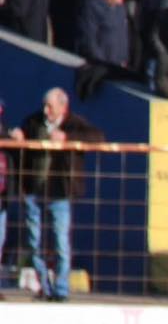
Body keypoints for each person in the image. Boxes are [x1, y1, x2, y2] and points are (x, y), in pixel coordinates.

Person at [8, 89, 103, 302]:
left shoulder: (74, 123)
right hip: (34, 190)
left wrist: (68, 138)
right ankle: (44, 286)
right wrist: (16, 139)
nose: (46, 110)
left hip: (60, 192)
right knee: (35, 242)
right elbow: (18, 150)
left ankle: (60, 289)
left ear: (63, 106)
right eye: (45, 105)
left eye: (50, 106)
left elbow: (98, 137)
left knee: (61, 242)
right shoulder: (33, 122)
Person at [77, 0, 131, 70]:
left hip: (118, 67)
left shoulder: (120, 8)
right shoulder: (92, 7)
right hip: (99, 68)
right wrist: (101, 64)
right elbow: (89, 41)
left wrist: (124, 59)